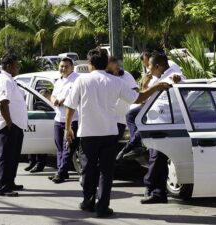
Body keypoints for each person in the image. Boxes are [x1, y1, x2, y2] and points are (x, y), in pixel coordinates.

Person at [63, 48, 171, 217]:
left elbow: (70, 106)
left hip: (88, 133)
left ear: (90, 63)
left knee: (88, 169)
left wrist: (67, 127)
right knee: (106, 171)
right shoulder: (115, 81)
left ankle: (88, 201)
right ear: (106, 64)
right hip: (109, 132)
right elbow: (139, 98)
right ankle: (103, 206)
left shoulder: (81, 81)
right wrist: (156, 87)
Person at [140, 51, 185, 204]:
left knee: (157, 159)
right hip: (154, 125)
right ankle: (158, 193)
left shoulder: (174, 75)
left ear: (158, 66)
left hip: (165, 126)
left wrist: (178, 81)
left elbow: (180, 82)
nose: (148, 70)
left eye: (150, 67)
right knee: (157, 159)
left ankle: (151, 186)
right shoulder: (158, 78)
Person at [0, 53, 27, 197]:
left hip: (15, 125)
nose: (18, 67)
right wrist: (9, 123)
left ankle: (10, 182)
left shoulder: (9, 79)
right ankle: (3, 187)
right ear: (8, 66)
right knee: (6, 157)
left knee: (13, 156)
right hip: (8, 126)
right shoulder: (4, 80)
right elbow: (3, 103)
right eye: (16, 65)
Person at [49, 57, 80, 183]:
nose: (63, 68)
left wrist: (63, 100)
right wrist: (54, 100)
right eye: (61, 66)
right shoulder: (59, 81)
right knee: (59, 147)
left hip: (73, 119)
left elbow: (75, 97)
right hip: (59, 118)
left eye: (66, 66)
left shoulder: (77, 79)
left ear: (72, 67)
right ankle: (62, 171)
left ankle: (60, 173)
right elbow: (53, 95)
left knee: (68, 147)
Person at [105, 56, 139, 140]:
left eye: (117, 68)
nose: (116, 71)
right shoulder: (103, 78)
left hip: (120, 120)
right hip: (106, 120)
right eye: (112, 70)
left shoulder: (126, 75)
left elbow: (136, 92)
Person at [24, 90, 50, 173]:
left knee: (41, 146)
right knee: (33, 143)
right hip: (36, 124)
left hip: (45, 125)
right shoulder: (37, 104)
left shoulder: (49, 104)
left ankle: (39, 164)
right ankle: (32, 162)